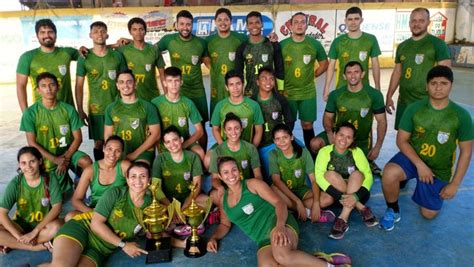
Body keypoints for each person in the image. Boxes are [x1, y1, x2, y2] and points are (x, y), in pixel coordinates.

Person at [206, 156, 352, 266]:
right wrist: (214, 238)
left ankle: (328, 265)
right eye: (225, 172)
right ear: (219, 176)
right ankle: (314, 260)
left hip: (279, 223)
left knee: (283, 257)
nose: (231, 175)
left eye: (234, 170)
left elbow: (279, 203)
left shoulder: (252, 184)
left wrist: (280, 225)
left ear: (239, 170)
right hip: (262, 240)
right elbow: (225, 224)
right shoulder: (223, 200)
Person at [379, 66, 473, 231]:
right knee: (389, 173)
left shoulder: (461, 115)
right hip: (413, 157)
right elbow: (402, 141)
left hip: (439, 168)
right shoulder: (414, 109)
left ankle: (422, 185)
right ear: (426, 86)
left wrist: (455, 184)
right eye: (433, 83)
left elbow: (466, 152)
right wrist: (420, 165)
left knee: (428, 214)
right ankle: (393, 210)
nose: (438, 87)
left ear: (451, 85)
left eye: (444, 83)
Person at [39, 162, 152, 266]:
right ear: (127, 179)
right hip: (83, 229)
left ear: (149, 180)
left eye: (143, 176)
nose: (138, 181)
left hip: (100, 249)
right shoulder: (116, 193)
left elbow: (150, 230)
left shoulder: (151, 205)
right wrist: (124, 245)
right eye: (133, 176)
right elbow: (96, 224)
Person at [20, 72, 92, 194]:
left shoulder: (68, 109)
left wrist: (65, 158)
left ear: (58, 87)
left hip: (68, 153)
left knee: (86, 162)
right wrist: (55, 159)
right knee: (54, 197)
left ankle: (80, 189)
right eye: (43, 86)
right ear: (38, 90)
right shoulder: (30, 113)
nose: (48, 89)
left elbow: (78, 138)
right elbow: (32, 143)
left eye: (51, 85)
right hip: (45, 156)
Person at [311, 61, 387, 175]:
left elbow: (382, 121)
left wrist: (378, 146)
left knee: (355, 171)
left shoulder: (374, 95)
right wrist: (330, 134)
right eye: (349, 72)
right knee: (315, 143)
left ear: (362, 74)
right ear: (344, 76)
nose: (353, 75)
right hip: (339, 136)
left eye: (356, 72)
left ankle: (368, 162)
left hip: (361, 140)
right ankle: (322, 167)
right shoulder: (336, 95)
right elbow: (327, 117)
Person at [386, 7, 451, 130]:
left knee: (423, 137)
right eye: (413, 21)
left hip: (426, 102)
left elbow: (445, 75)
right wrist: (389, 95)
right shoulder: (402, 46)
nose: (417, 24)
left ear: (428, 22)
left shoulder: (437, 44)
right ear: (409, 23)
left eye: (421, 20)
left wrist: (439, 101)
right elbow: (397, 72)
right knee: (403, 137)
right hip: (404, 102)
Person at [156, 10, 209, 150]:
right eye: (182, 24)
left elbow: (210, 64)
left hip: (197, 90)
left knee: (201, 126)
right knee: (171, 124)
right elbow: (151, 50)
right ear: (176, 25)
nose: (185, 28)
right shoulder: (168, 40)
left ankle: (201, 158)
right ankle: (170, 153)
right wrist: (163, 74)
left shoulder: (201, 43)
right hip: (177, 89)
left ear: (193, 25)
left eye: (188, 24)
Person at [315, 122, 378, 240]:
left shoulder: (356, 152)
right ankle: (361, 208)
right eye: (341, 135)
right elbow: (319, 177)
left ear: (353, 140)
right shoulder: (324, 152)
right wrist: (341, 196)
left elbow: (368, 176)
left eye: (348, 137)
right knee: (328, 175)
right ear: (334, 135)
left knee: (358, 174)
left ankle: (343, 218)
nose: (344, 139)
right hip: (336, 195)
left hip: (358, 193)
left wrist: (356, 196)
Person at [75, 21, 127, 161]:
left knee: (118, 141)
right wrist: (80, 109)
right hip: (96, 108)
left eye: (103, 31)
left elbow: (125, 80)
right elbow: (79, 85)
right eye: (96, 31)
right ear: (90, 35)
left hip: (117, 106)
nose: (99, 34)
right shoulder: (84, 58)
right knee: (99, 143)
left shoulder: (117, 56)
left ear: (107, 35)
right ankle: (100, 171)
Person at [0, 147, 62, 253]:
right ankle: (37, 246)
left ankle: (13, 244)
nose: (28, 166)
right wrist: (19, 236)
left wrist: (35, 232)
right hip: (21, 225)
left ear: (40, 161)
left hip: (44, 226)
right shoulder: (16, 183)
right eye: (23, 163)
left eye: (32, 161)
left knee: (57, 227)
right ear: (19, 165)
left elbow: (57, 208)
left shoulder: (50, 179)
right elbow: (2, 213)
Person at [280, 12, 328, 149]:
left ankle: (311, 156)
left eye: (302, 22)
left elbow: (325, 64)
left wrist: (312, 75)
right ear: (291, 25)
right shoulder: (282, 45)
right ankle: (289, 154)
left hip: (308, 92)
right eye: (296, 22)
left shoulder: (314, 44)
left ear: (306, 25)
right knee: (288, 125)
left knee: (307, 124)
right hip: (288, 93)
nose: (299, 25)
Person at [269, 124, 335, 223]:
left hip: (301, 190)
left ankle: (292, 210)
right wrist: (297, 202)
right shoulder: (273, 154)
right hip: (283, 192)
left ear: (291, 137)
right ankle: (306, 212)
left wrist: (316, 203)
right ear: (274, 141)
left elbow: (313, 180)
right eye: (277, 139)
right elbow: (276, 181)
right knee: (273, 188)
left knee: (328, 198)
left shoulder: (303, 152)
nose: (281, 142)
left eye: (285, 137)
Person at [152, 126, 209, 236]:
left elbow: (196, 186)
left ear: (181, 140)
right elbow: (156, 188)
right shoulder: (160, 159)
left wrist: (184, 207)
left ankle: (186, 223)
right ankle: (183, 221)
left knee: (206, 200)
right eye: (168, 142)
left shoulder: (193, 157)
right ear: (164, 145)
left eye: (175, 140)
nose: (172, 144)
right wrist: (171, 208)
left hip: (188, 198)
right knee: (155, 212)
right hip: (167, 201)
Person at [17, 19, 81, 111]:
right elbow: (21, 86)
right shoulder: (27, 57)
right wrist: (25, 113)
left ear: (55, 35)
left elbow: (92, 54)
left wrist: (108, 46)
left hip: (67, 111)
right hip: (41, 113)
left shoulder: (67, 52)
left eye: (50, 32)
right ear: (37, 36)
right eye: (42, 32)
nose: (46, 35)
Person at [66, 135, 130, 221]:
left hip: (118, 210)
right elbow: (76, 200)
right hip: (96, 209)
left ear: (122, 153)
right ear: (103, 148)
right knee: (70, 216)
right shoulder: (91, 170)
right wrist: (94, 213)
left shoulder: (124, 166)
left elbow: (136, 190)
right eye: (109, 149)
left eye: (117, 151)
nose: (112, 154)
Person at [206, 113, 262, 210]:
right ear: (225, 132)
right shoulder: (218, 151)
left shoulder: (250, 148)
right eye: (229, 129)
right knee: (214, 196)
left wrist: (252, 189)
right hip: (227, 189)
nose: (233, 132)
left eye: (236, 128)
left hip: (246, 187)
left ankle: (234, 209)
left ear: (241, 129)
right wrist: (220, 187)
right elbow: (215, 178)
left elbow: (258, 175)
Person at [104, 69, 161, 165]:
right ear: (117, 85)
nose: (125, 86)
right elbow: (108, 136)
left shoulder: (148, 107)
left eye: (129, 82)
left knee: (138, 172)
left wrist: (134, 154)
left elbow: (156, 135)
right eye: (121, 82)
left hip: (143, 153)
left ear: (135, 84)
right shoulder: (110, 108)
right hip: (119, 153)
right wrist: (112, 153)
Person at [323, 6, 381, 101]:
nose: (353, 22)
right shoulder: (338, 41)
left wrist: (377, 86)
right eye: (350, 19)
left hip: (364, 87)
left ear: (361, 20)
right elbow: (331, 65)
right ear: (345, 21)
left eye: (356, 19)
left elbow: (375, 64)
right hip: (342, 87)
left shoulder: (371, 39)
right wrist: (326, 88)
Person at [151, 67, 205, 160]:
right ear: (164, 83)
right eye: (170, 81)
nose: (173, 84)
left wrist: (183, 145)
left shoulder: (188, 103)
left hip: (184, 142)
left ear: (181, 82)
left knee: (200, 152)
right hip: (166, 145)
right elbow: (151, 131)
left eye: (176, 80)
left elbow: (200, 131)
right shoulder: (155, 103)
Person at [204, 8, 248, 116]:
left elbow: (256, 44)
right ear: (215, 22)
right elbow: (204, 57)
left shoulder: (241, 38)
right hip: (217, 87)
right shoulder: (208, 41)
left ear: (231, 21)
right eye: (219, 20)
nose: (223, 23)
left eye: (226, 20)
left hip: (235, 86)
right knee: (218, 121)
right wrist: (213, 69)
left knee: (238, 118)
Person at [235, 11, 285, 97]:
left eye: (257, 22)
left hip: (270, 92)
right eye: (251, 23)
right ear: (247, 26)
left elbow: (279, 68)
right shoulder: (242, 48)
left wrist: (280, 90)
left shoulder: (272, 44)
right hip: (250, 93)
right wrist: (239, 92)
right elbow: (238, 72)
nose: (254, 26)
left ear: (262, 24)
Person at [210, 70, 264, 147]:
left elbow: (259, 130)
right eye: (231, 85)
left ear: (243, 84)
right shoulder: (220, 105)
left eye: (238, 84)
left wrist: (252, 149)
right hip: (225, 146)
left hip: (246, 147)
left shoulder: (254, 105)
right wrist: (223, 147)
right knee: (208, 158)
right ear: (226, 87)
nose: (235, 88)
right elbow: (215, 129)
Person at [118, 17, 164, 101]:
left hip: (152, 97)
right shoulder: (123, 50)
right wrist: (113, 45)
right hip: (131, 98)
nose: (138, 32)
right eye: (134, 29)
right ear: (130, 32)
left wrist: (166, 95)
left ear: (145, 31)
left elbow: (162, 75)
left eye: (141, 29)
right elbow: (102, 49)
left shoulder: (154, 50)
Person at [253, 67, 294, 148]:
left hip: (278, 143)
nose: (268, 82)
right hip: (259, 144)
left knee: (302, 151)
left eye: (271, 79)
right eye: (264, 79)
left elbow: (289, 121)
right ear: (257, 82)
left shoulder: (281, 99)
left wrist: (283, 139)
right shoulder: (252, 101)